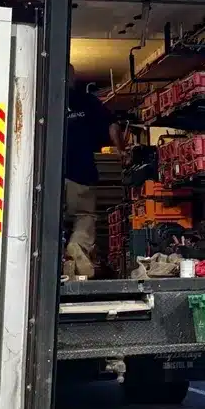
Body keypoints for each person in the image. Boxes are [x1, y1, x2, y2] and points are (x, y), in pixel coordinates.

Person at [63, 65, 122, 278]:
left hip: (47, 176)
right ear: (72, 78)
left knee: (49, 218)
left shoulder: (43, 98)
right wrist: (119, 151)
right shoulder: (87, 101)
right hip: (80, 172)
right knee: (84, 215)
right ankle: (77, 245)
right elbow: (112, 125)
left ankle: (53, 259)